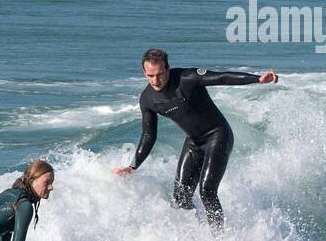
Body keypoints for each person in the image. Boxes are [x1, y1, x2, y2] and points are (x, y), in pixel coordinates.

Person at [113, 49, 278, 230]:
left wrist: (257, 79)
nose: (155, 81)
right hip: (194, 141)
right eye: (150, 75)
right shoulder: (147, 99)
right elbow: (148, 135)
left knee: (207, 191)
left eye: (160, 74)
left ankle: (219, 240)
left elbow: (222, 78)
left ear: (168, 69)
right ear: (144, 73)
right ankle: (198, 234)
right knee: (180, 197)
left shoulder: (187, 78)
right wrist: (133, 166)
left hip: (218, 135)